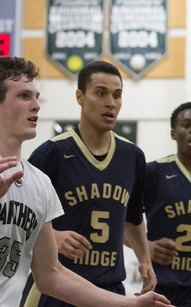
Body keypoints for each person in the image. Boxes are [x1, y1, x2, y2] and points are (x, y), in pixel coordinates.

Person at [0, 57, 170, 307]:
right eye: (25, 96)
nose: (36, 105)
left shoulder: (39, 182)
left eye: (37, 96)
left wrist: (130, 304)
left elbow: (52, 275)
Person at [20, 60, 156, 307]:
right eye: (101, 93)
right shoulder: (51, 154)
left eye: (117, 95)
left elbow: (133, 219)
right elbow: (20, 219)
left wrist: (144, 258)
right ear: (80, 97)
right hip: (56, 288)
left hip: (109, 288)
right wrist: (53, 237)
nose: (111, 103)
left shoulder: (132, 157)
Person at [142, 102, 191, 307]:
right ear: (173, 133)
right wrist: (145, 247)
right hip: (163, 287)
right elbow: (122, 220)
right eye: (186, 124)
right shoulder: (154, 173)